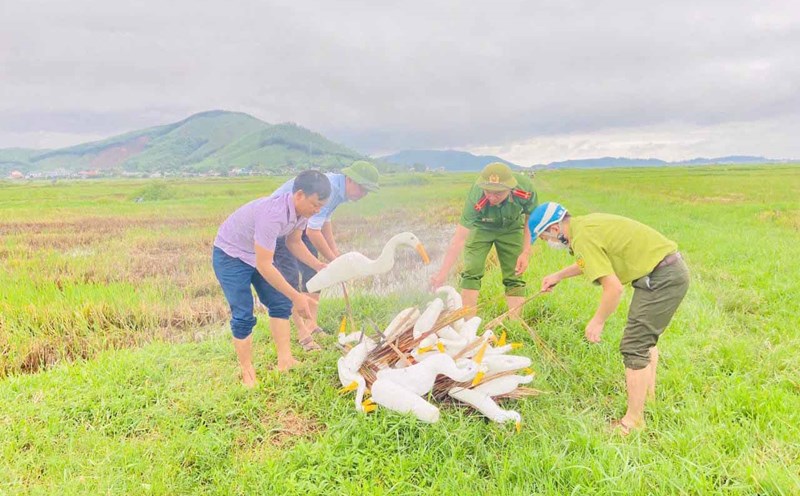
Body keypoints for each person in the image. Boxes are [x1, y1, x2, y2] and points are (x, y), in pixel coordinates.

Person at [529, 202, 690, 434]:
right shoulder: (584, 225)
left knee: (635, 345)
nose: (549, 243)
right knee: (645, 342)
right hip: (667, 270)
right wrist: (559, 275)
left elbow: (613, 289)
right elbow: (591, 261)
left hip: (662, 276)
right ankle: (649, 401)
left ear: (554, 229)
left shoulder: (582, 236)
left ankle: (633, 422)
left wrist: (598, 320)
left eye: (545, 238)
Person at [212, 170, 331, 387]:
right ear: (299, 195)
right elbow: (264, 265)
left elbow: (294, 242)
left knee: (279, 302)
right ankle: (247, 370)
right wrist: (297, 296)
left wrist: (317, 265)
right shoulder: (273, 214)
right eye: (315, 204)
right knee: (243, 312)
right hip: (230, 255)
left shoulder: (301, 215)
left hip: (254, 254)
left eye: (321, 206)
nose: (318, 210)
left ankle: (285, 361)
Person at [271, 160, 380, 350]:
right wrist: (333, 261)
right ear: (350, 180)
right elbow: (313, 232)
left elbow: (323, 221)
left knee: (314, 275)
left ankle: (311, 324)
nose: (363, 195)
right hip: (278, 226)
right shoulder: (329, 188)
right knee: (288, 279)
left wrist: (335, 254)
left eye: (367, 191)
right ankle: (301, 333)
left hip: (298, 224)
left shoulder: (338, 190)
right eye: (362, 189)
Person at [430, 162, 538, 319]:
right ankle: (468, 323)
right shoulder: (476, 195)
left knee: (514, 274)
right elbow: (459, 239)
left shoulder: (525, 188)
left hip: (511, 228)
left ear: (510, 188)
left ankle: (515, 324)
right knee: (471, 270)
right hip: (481, 227)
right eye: (488, 192)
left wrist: (525, 252)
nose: (492, 198)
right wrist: (443, 273)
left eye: (498, 193)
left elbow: (531, 219)